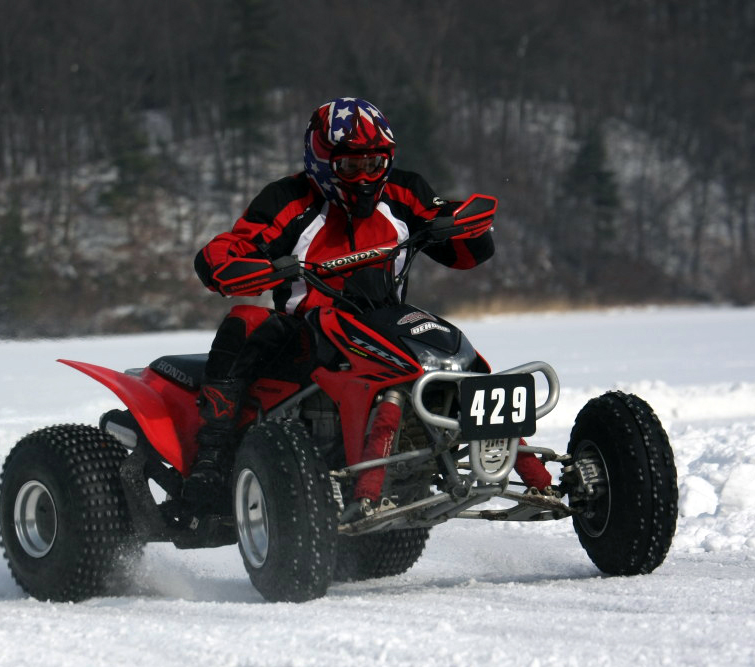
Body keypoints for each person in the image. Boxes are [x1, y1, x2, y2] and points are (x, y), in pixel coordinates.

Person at [186, 96, 553, 507]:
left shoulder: (403, 191)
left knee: (458, 358)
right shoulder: (287, 199)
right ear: (322, 163)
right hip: (306, 330)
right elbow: (232, 246)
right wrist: (235, 265)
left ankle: (544, 479)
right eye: (350, 167)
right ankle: (212, 455)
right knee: (244, 320)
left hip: (386, 321)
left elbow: (461, 251)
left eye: (374, 164)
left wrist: (467, 228)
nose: (363, 178)